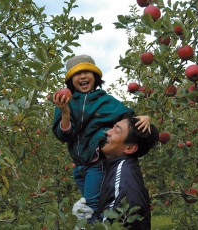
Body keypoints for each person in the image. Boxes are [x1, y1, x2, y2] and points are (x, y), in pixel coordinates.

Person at [52, 54, 151, 222]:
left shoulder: (106, 101)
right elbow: (63, 135)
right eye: (77, 73)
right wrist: (65, 113)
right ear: (70, 81)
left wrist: (145, 117)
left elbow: (129, 118)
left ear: (95, 77)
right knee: (90, 207)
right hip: (79, 167)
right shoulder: (65, 103)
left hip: (96, 164)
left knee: (90, 208)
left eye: (87, 72)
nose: (82, 76)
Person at [72, 114, 159, 229]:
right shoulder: (114, 167)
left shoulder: (123, 177)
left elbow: (111, 225)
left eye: (117, 131)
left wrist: (84, 223)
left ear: (129, 148)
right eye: (112, 127)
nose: (107, 132)